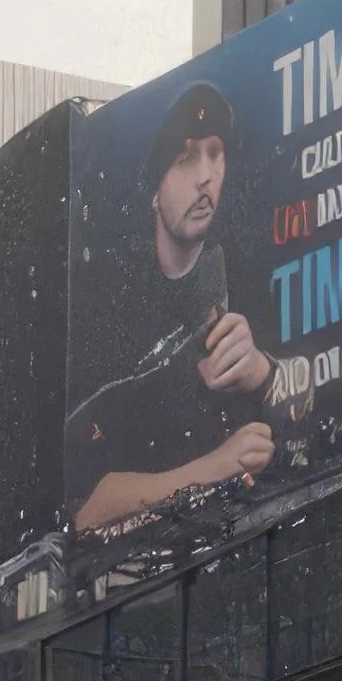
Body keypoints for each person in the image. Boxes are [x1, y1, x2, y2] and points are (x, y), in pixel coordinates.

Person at [63, 83, 307, 535]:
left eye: (216, 154)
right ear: (156, 186)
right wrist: (215, 467)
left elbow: (324, 406)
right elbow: (84, 509)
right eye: (185, 158)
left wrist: (264, 373)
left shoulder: (250, 277)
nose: (205, 176)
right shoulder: (110, 308)